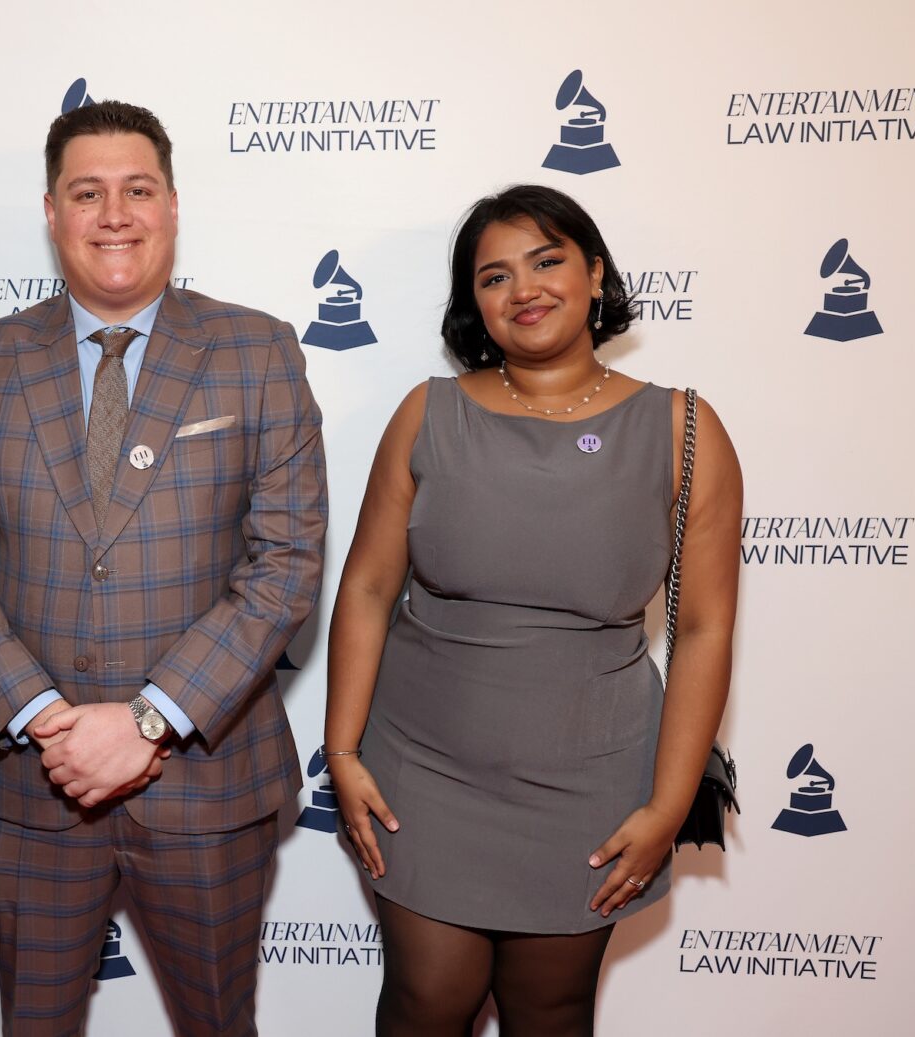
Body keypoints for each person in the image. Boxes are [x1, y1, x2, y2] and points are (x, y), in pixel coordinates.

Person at [0, 100, 327, 1036]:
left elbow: (287, 565)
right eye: (86, 192)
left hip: (207, 787)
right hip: (33, 784)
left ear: (173, 206)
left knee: (221, 1022)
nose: (113, 214)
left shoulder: (257, 352)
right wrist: (49, 720)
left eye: (137, 190)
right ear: (52, 212)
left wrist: (147, 721)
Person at [324, 184, 741, 1036]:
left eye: (548, 261)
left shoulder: (683, 426)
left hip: (593, 778)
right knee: (426, 1001)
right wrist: (341, 747)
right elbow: (367, 586)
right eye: (495, 276)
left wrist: (667, 808)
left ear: (594, 273)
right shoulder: (426, 414)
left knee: (550, 1011)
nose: (525, 290)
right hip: (426, 771)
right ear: (473, 303)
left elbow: (703, 629)